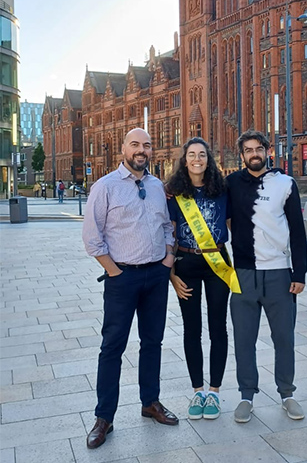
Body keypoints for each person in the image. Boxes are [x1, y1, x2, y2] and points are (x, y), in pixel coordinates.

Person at [82, 128, 178, 449]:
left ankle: (150, 402)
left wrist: (167, 261)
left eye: (147, 145)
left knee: (152, 342)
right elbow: (92, 238)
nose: (141, 150)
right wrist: (114, 272)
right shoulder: (105, 187)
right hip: (122, 278)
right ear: (123, 149)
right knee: (113, 346)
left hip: (156, 276)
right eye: (135, 144)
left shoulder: (155, 187)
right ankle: (104, 417)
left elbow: (167, 226)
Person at [227, 130, 307, 424]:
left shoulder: (285, 183)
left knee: (284, 338)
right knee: (243, 339)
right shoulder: (232, 183)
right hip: (244, 274)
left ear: (267, 150)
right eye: (248, 150)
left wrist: (300, 272)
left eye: (258, 148)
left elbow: (298, 231)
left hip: (278, 273)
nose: (254, 154)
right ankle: (246, 395)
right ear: (242, 155)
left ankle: (287, 393)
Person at [167, 137, 236, 421]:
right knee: (191, 328)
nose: (197, 159)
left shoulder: (222, 190)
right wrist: (170, 274)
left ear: (209, 159)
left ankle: (215, 391)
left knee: (218, 327)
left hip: (218, 261)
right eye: (192, 154)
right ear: (184, 160)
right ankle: (198, 390)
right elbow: (168, 233)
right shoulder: (173, 193)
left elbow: (233, 225)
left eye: (202, 154)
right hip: (186, 262)